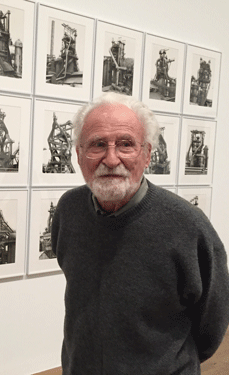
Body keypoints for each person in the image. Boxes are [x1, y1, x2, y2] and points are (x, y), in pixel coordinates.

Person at [51, 92, 229, 374]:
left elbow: (212, 325)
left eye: (126, 144)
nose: (111, 159)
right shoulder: (69, 210)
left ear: (146, 155)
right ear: (79, 155)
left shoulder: (188, 226)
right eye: (97, 145)